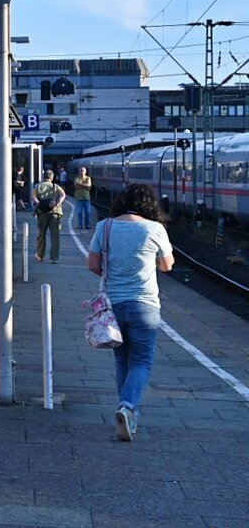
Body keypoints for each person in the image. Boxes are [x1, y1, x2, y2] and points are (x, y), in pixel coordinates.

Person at [86, 183, 174, 442]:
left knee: (121, 361)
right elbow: (167, 265)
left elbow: (93, 264)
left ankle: (128, 414)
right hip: (145, 305)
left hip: (113, 306)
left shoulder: (105, 227)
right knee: (142, 361)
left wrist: (115, 273)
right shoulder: (154, 228)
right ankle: (127, 407)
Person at [33, 169, 65, 262]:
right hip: (55, 213)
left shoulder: (38, 186)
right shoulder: (56, 186)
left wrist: (38, 203)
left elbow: (33, 197)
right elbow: (63, 195)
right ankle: (54, 258)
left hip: (42, 213)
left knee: (41, 235)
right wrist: (58, 204)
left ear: (43, 177)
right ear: (52, 177)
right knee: (55, 236)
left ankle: (40, 255)